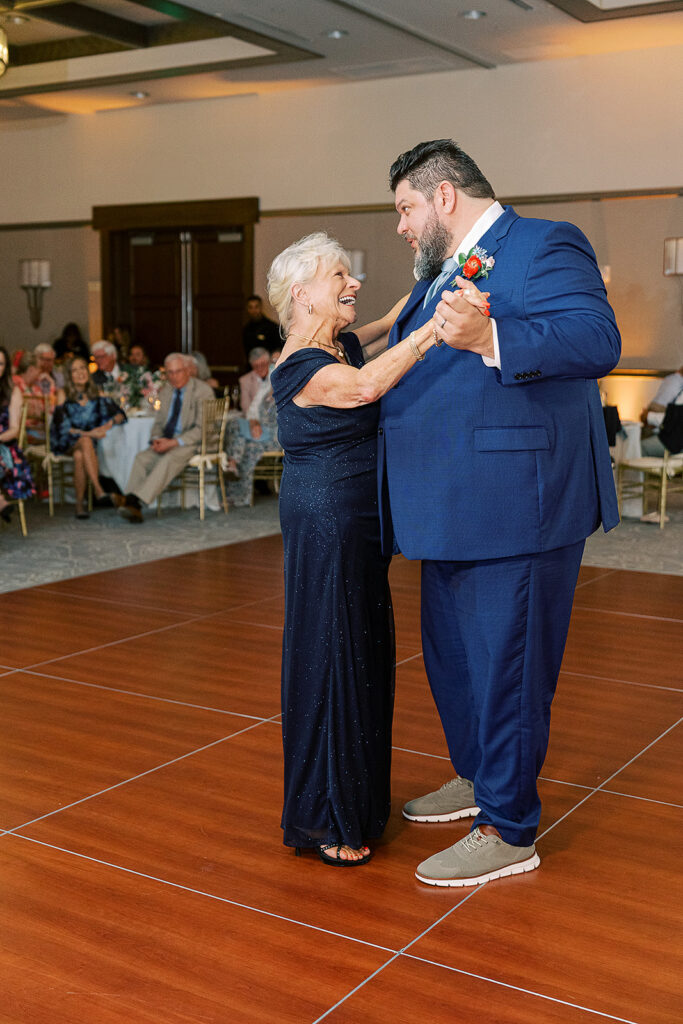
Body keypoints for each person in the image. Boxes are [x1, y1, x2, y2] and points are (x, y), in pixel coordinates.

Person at [381, 139, 621, 888]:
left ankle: (509, 827)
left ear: (444, 195)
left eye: (405, 208)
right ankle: (478, 779)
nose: (401, 226)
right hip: (447, 502)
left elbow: (597, 339)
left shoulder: (545, 243)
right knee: (454, 663)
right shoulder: (441, 271)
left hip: (518, 503)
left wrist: (492, 336)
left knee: (507, 672)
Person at [268, 231, 452, 866]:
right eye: (340, 276)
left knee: (361, 649)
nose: (354, 283)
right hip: (327, 522)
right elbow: (366, 387)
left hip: (356, 520)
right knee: (333, 651)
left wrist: (438, 281)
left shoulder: (335, 343)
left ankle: (356, 799)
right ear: (301, 294)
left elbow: (388, 321)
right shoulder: (301, 366)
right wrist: (434, 333)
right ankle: (328, 814)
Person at [116, 353, 213, 522]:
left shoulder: (202, 391)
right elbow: (159, 422)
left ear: (188, 371)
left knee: (169, 459)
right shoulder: (167, 390)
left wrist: (174, 442)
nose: (174, 377)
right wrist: (156, 438)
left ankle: (135, 501)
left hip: (192, 442)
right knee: (142, 458)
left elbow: (203, 429)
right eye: (170, 372)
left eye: (178, 371)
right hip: (168, 439)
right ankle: (131, 502)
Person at [51, 357, 126, 519]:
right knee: (85, 442)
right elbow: (63, 427)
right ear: (69, 375)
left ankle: (79, 505)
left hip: (86, 445)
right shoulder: (63, 393)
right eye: (75, 370)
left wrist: (106, 426)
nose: (80, 373)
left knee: (79, 456)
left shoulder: (95, 392)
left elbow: (120, 414)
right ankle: (98, 489)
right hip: (65, 440)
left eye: (83, 368)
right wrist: (92, 434)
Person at [224, 370, 280, 508]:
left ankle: (233, 464)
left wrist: (260, 427)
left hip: (275, 437)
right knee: (241, 438)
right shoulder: (266, 394)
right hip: (260, 435)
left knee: (239, 432)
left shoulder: (286, 395)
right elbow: (254, 414)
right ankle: (235, 494)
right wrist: (254, 423)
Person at [0, 346, 35, 523]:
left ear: (5, 368)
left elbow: (14, 429)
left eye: (0, 364)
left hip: (5, 447)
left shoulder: (12, 392)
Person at [640, 364, 683, 456]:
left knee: (640, 448)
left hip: (675, 443)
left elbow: (673, 420)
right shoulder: (675, 381)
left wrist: (649, 417)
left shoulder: (675, 381)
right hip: (671, 435)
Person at [242, 294, 281, 359]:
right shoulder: (246, 329)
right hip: (252, 363)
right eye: (250, 307)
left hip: (270, 363)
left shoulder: (272, 327)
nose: (254, 310)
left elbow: (278, 349)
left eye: (256, 307)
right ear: (247, 309)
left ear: (261, 307)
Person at [239, 347, 271, 413]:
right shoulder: (245, 380)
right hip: (255, 416)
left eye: (262, 364)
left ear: (268, 363)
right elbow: (245, 406)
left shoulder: (276, 376)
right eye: (256, 366)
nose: (260, 368)